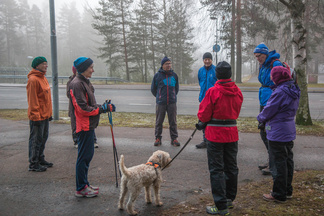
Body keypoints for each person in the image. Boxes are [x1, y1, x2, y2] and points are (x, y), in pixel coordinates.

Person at [196, 61, 243, 215]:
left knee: (216, 169)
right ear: (229, 74)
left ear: (217, 75)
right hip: (231, 133)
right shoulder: (237, 91)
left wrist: (203, 121)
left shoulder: (212, 91)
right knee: (231, 167)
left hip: (215, 135)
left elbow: (203, 114)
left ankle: (220, 206)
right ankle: (229, 199)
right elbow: (236, 110)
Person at [69, 57, 116, 198]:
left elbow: (90, 104)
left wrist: (104, 107)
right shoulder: (77, 84)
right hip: (83, 126)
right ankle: (80, 188)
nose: (93, 70)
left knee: (87, 156)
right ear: (84, 68)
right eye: (91, 67)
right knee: (83, 157)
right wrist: (101, 109)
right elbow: (83, 109)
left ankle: (84, 184)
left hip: (88, 125)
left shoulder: (85, 82)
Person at [257, 66, 300, 203]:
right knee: (288, 161)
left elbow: (269, 109)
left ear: (277, 77)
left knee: (278, 163)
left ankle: (278, 193)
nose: (271, 78)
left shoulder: (280, 92)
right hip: (288, 129)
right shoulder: (293, 89)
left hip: (277, 131)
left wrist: (260, 118)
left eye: (272, 76)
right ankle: (287, 190)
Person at [254, 43, 282, 176]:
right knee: (263, 132)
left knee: (269, 132)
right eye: (256, 56)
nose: (257, 58)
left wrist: (274, 99)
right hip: (264, 100)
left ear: (265, 54)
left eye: (259, 56)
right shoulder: (263, 65)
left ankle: (273, 163)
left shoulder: (275, 64)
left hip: (272, 102)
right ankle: (271, 160)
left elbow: (282, 82)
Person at [26, 56, 53, 172]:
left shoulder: (43, 78)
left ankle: (40, 158)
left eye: (46, 63)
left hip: (45, 115)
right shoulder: (33, 80)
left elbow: (46, 99)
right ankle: (33, 163)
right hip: (37, 116)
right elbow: (33, 100)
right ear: (37, 66)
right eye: (43, 64)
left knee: (43, 138)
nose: (46, 66)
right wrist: (35, 116)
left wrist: (49, 113)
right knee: (35, 140)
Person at [66, 66, 99, 149]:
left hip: (87, 107)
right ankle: (77, 141)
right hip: (76, 108)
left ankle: (93, 140)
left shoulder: (85, 81)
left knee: (89, 124)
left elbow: (91, 90)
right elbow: (69, 94)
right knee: (76, 125)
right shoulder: (74, 82)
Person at [151, 56, 180, 147]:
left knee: (173, 121)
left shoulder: (174, 75)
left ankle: (174, 138)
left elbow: (176, 89)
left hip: (172, 102)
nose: (169, 65)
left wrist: (172, 96)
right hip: (161, 103)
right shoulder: (157, 76)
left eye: (170, 63)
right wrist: (159, 96)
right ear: (162, 65)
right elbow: (153, 89)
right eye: (166, 64)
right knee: (159, 121)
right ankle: (158, 138)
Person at [196, 52, 217, 149]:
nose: (207, 61)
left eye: (209, 59)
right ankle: (205, 140)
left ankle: (213, 140)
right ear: (203, 60)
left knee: (213, 121)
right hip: (203, 99)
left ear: (211, 60)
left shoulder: (215, 70)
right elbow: (201, 83)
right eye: (205, 59)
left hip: (213, 99)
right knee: (203, 120)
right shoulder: (200, 71)